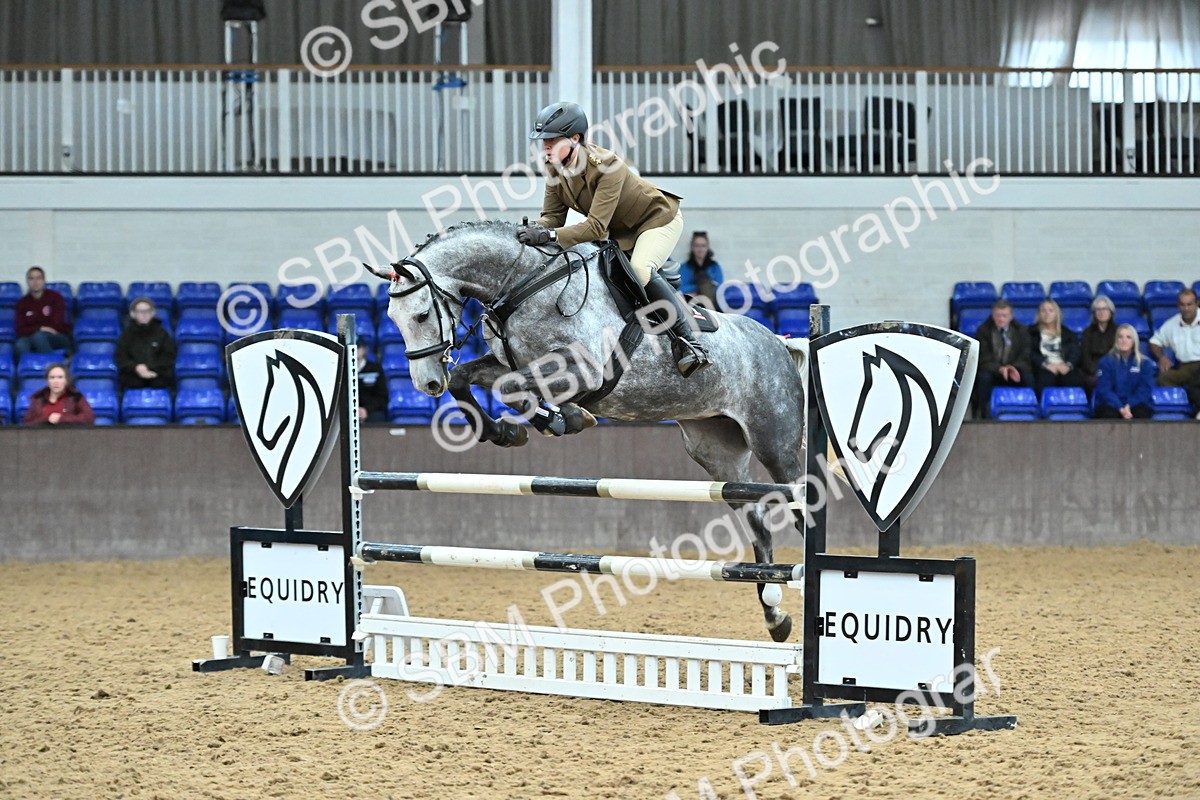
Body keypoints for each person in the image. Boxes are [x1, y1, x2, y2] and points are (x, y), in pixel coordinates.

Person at [517, 101, 709, 377]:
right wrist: (531, 232)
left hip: (656, 220)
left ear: (575, 138)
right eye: (544, 140)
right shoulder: (554, 168)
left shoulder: (607, 166)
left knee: (640, 270)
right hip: (619, 231)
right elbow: (552, 219)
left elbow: (595, 228)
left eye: (553, 140)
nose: (545, 146)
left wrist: (548, 234)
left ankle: (689, 343)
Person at [973, 299, 1033, 419]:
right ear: (993, 316)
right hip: (993, 370)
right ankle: (983, 416)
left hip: (1015, 369)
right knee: (983, 378)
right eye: (997, 315)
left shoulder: (1022, 331)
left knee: (1028, 378)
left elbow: (1025, 355)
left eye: (1004, 316)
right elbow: (983, 358)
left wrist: (1013, 368)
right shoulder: (983, 331)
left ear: (1011, 316)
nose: (1001, 319)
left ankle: (1029, 413)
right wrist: (999, 369)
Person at [1148, 288, 1200, 415]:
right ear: (1178, 305)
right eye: (1182, 304)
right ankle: (1186, 409)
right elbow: (1153, 342)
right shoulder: (1172, 324)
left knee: (1195, 383)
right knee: (1163, 378)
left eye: (1189, 304)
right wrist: (1161, 357)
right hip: (1185, 367)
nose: (1186, 308)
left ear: (1197, 303)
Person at [1094, 323, 1156, 419]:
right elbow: (1104, 389)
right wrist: (1120, 407)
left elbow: (1145, 389)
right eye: (1120, 337)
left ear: (1134, 341)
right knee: (1107, 413)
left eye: (1128, 337)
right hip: (1111, 404)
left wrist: (1128, 405)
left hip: (1136, 404)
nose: (1124, 340)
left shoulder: (1145, 363)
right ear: (1116, 340)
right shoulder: (1105, 362)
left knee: (1141, 412)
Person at [115, 297, 176, 390]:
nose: (144, 315)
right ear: (133, 314)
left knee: (159, 384)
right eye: (140, 311)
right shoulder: (126, 334)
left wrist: (149, 369)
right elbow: (121, 357)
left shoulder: (162, 333)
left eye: (147, 311)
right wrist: (136, 368)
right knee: (133, 383)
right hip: (132, 374)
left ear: (153, 313)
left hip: (157, 374)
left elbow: (168, 356)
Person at [14, 266, 71, 358]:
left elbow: (58, 325)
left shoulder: (55, 298)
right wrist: (40, 328)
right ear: (27, 282)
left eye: (38, 278)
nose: (35, 282)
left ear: (44, 281)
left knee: (39, 337)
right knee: (20, 344)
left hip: (57, 337)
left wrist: (37, 329)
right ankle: (29, 370)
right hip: (32, 336)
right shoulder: (22, 303)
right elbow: (20, 329)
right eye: (31, 278)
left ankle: (49, 368)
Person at [1029, 299, 1083, 396]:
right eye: (1043, 310)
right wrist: (1045, 364)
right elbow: (1029, 352)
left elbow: (1076, 352)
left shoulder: (1068, 334)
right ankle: (1046, 408)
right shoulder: (1030, 333)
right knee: (1045, 379)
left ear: (1056, 313)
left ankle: (1071, 408)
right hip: (1043, 368)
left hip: (1064, 366)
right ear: (1039, 314)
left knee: (1073, 379)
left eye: (1050, 310)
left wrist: (1068, 365)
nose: (1047, 314)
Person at [22, 363, 95, 425]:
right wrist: (46, 419)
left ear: (66, 380)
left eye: (60, 377)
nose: (56, 381)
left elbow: (88, 418)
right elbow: (27, 423)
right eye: (52, 378)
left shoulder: (76, 397)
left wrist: (62, 419)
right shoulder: (39, 399)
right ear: (47, 381)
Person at [1078, 294, 1118, 392]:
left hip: (1115, 370)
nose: (1101, 312)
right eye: (1098, 309)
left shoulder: (1119, 331)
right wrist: (1096, 371)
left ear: (1111, 312)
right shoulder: (1087, 332)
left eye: (1105, 309)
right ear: (1094, 313)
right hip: (1093, 371)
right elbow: (1085, 357)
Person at [678, 231, 724, 307]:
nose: (700, 249)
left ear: (707, 247)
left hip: (712, 302)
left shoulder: (715, 267)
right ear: (692, 247)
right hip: (692, 304)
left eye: (703, 246)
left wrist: (697, 290)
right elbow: (680, 290)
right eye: (697, 245)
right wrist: (700, 287)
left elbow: (720, 289)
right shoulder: (685, 267)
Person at [357, 347, 388, 423]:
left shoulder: (375, 368)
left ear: (363, 350)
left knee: (377, 417)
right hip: (348, 411)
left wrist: (366, 410)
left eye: (357, 347)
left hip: (371, 411)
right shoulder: (342, 369)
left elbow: (382, 397)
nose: (355, 350)